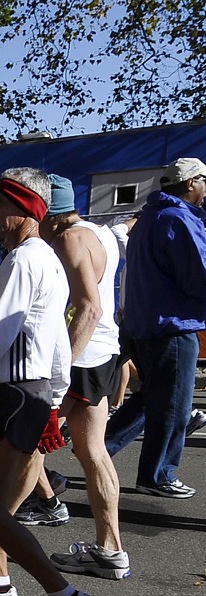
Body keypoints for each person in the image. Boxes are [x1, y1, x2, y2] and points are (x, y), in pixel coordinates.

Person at [0, 170, 99, 596]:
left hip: (14, 393)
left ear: (26, 210)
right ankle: (1, 586)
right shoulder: (45, 258)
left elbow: (0, 331)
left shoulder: (24, 259)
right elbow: (58, 340)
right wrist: (56, 394)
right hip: (26, 393)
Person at [41, 174, 130, 580]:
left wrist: (60, 374)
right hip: (105, 351)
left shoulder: (69, 239)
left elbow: (89, 309)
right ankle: (110, 549)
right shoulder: (98, 231)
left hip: (85, 355)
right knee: (92, 450)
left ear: (51, 215)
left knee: (31, 446)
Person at [104, 157, 206, 498]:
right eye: (204, 181)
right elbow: (198, 276)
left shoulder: (150, 217)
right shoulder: (179, 218)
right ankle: (159, 473)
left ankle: (100, 447)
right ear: (191, 183)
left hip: (143, 323)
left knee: (152, 397)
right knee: (174, 404)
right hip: (172, 325)